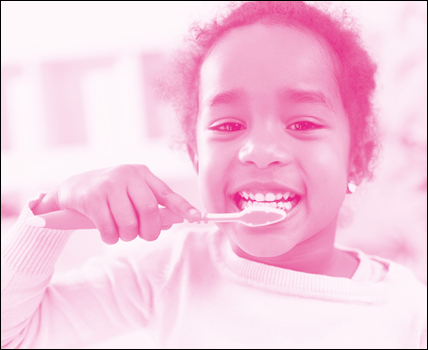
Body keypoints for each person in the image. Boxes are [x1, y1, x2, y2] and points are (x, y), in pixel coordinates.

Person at [2, 1, 426, 348]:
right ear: (196, 158)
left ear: (357, 158)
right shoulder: (167, 273)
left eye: (303, 124)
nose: (259, 152)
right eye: (228, 126)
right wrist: (52, 212)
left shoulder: (404, 307)